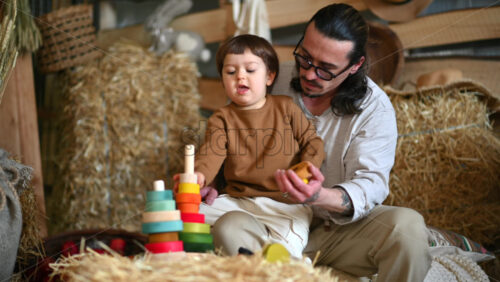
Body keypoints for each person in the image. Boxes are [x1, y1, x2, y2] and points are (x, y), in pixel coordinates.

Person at [203, 4, 432, 281]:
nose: (310, 74)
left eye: (326, 70)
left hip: (337, 233)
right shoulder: (270, 77)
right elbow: (228, 138)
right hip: (266, 220)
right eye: (306, 58)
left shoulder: (376, 109)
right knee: (228, 228)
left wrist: (319, 196)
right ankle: (283, 267)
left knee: (407, 228)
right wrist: (211, 181)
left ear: (355, 66)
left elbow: (371, 184)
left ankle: (283, 267)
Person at [174, 34, 325, 258]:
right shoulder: (221, 118)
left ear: (269, 76)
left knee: (288, 244)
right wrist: (199, 175)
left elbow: (313, 142)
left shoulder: (286, 108)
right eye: (231, 72)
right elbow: (211, 153)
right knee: (182, 219)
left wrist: (306, 169)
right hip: (238, 202)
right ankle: (203, 260)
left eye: (250, 70)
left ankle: (290, 264)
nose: (240, 76)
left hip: (283, 204)